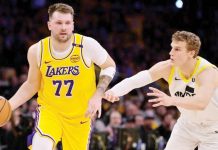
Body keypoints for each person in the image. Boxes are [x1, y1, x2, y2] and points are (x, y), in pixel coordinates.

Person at [7, 3, 116, 150]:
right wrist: (9, 106)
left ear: (72, 25)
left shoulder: (87, 45)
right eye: (59, 23)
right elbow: (32, 85)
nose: (63, 27)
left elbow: (109, 66)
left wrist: (98, 94)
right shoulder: (37, 50)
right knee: (41, 146)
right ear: (49, 25)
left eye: (67, 23)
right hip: (51, 113)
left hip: (80, 116)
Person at [104, 30, 218, 150]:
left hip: (213, 129)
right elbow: (136, 80)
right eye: (172, 48)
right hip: (187, 124)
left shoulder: (208, 72)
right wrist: (114, 91)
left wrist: (172, 100)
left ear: (191, 53)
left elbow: (201, 103)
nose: (171, 53)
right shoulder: (168, 67)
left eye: (177, 49)